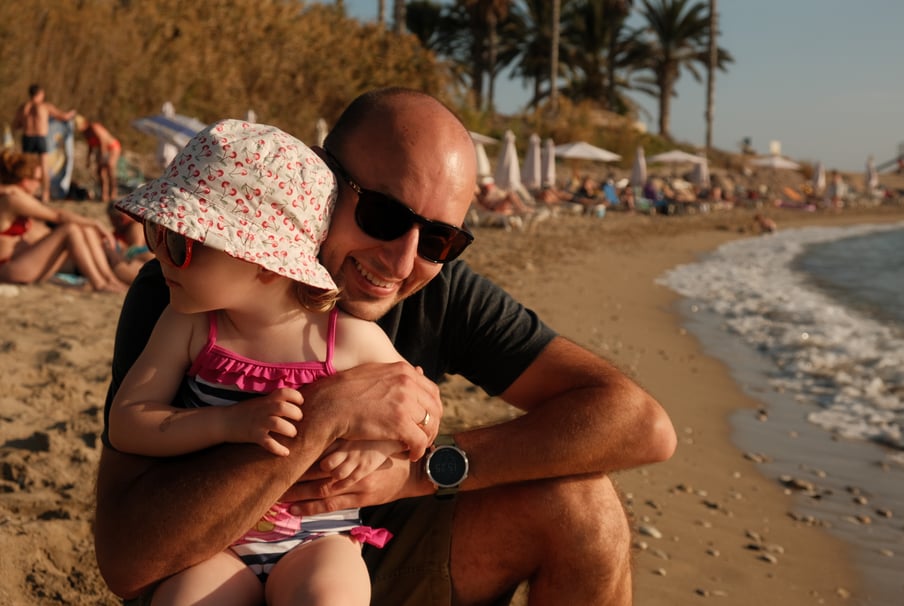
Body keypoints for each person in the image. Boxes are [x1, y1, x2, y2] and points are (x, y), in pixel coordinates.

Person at [94, 88, 676, 605]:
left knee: (586, 511)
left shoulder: (436, 287)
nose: (402, 261)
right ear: (321, 181)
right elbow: (127, 561)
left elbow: (641, 425)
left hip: (354, 555)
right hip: (209, 554)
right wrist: (323, 414)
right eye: (383, 214)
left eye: (441, 238)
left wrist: (423, 472)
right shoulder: (191, 289)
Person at [108, 119, 422, 604]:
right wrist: (226, 424)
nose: (160, 259)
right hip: (212, 540)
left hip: (317, 541)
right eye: (157, 232)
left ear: (264, 263)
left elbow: (413, 410)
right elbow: (128, 422)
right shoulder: (188, 325)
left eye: (181, 244)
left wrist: (378, 447)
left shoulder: (351, 341)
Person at [0, 149, 127, 292]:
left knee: (83, 229)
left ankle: (109, 279)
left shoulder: (14, 195)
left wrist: (89, 226)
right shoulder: (13, 199)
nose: (39, 185)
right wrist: (95, 223)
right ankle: (99, 283)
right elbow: (57, 216)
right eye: (37, 180)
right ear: (24, 180)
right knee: (70, 229)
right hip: (9, 268)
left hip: (25, 263)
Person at [11, 84, 76, 203]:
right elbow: (63, 117)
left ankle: (26, 193)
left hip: (27, 138)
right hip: (40, 138)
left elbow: (15, 125)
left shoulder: (23, 107)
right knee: (44, 167)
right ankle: (45, 194)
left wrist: (26, 123)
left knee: (26, 167)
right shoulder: (45, 106)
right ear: (40, 94)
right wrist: (71, 114)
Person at [74, 115, 122, 203]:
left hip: (112, 147)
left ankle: (114, 193)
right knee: (101, 172)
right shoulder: (85, 133)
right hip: (101, 149)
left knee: (110, 167)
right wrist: (88, 160)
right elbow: (91, 146)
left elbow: (102, 140)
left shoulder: (94, 127)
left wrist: (103, 155)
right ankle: (104, 195)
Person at [104, 202, 154, 284]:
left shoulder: (135, 226)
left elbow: (136, 249)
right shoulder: (116, 235)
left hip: (137, 259)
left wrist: (122, 250)